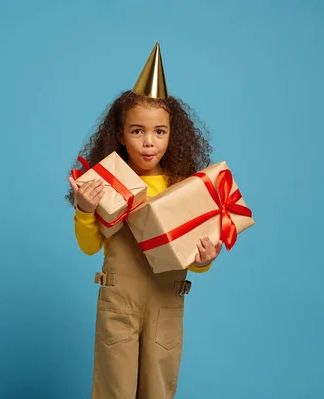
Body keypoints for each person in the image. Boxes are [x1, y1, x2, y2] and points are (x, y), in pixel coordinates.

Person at [66, 43, 222, 399]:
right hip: (119, 303)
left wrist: (205, 260)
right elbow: (90, 247)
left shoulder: (183, 189)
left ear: (172, 134)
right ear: (121, 135)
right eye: (137, 131)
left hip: (166, 302)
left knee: (158, 389)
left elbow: (193, 258)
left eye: (159, 132)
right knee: (114, 389)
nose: (149, 142)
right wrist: (85, 209)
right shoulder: (105, 183)